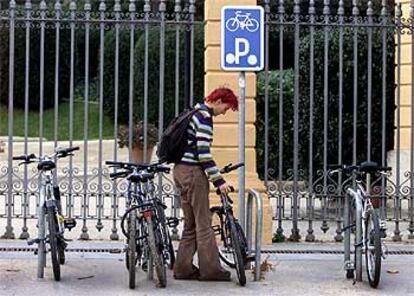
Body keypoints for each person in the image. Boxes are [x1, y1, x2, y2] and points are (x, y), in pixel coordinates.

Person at [173, 86, 239, 281]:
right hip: (193, 174)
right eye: (226, 108)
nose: (224, 113)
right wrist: (219, 181)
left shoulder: (193, 112)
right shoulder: (204, 118)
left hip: (179, 171)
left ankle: (182, 269)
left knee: (190, 224)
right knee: (204, 224)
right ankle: (211, 271)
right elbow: (203, 154)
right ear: (218, 101)